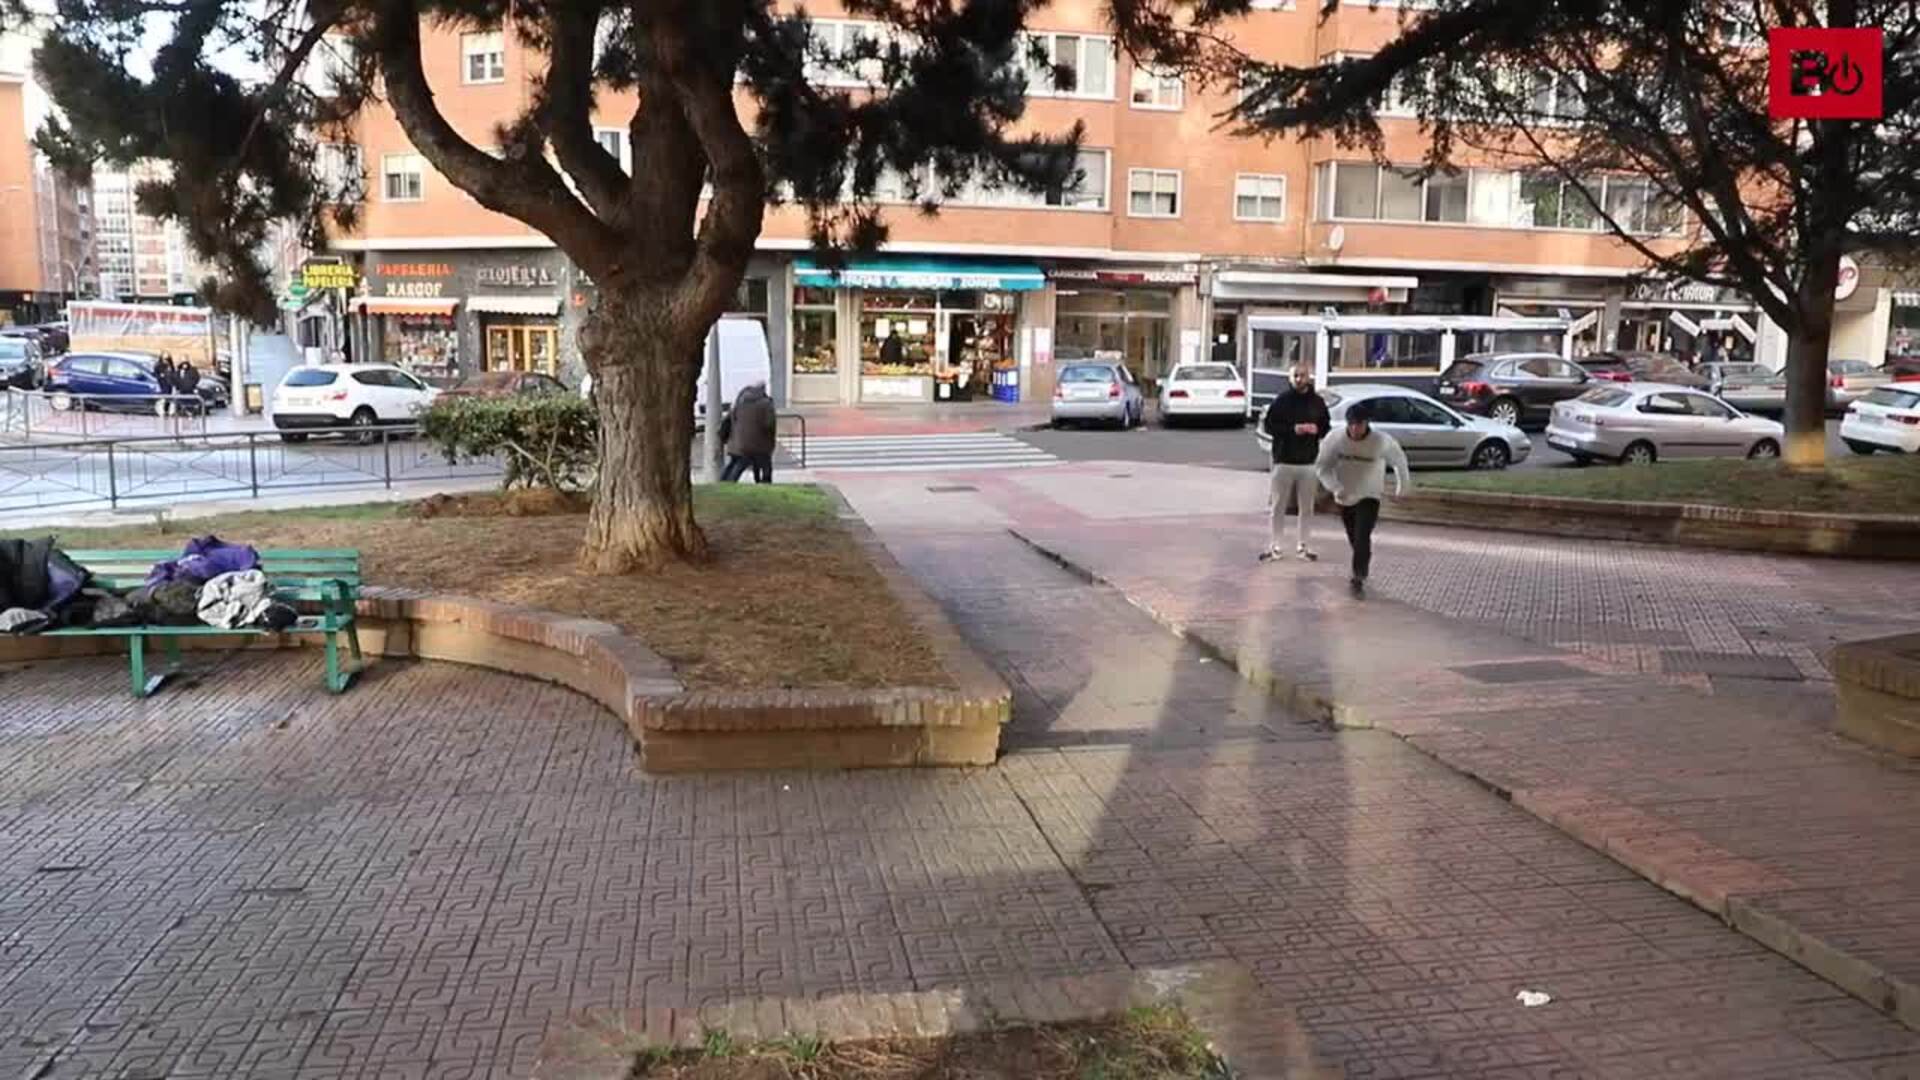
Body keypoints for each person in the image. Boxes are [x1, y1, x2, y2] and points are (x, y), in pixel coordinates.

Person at [1314, 402, 1412, 600]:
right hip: (1344, 495)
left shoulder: (1381, 441)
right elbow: (1322, 467)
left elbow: (1399, 462)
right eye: (1351, 424)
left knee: (1362, 534)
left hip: (1370, 495)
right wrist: (1335, 487)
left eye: (1359, 425)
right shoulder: (1335, 439)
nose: (1354, 429)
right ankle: (1362, 558)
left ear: (1367, 423)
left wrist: (1403, 488)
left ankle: (1358, 576)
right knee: (1354, 536)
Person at [1259, 362, 1332, 563]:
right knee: (1278, 506)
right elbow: (1270, 426)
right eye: (1295, 376)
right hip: (1284, 461)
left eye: (1303, 375)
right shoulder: (1282, 401)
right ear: (1290, 378)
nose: (1299, 379)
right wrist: (1293, 429)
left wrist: (1317, 430)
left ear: (1309, 377)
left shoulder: (1317, 402)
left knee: (1307, 507)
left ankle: (1303, 546)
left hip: (1308, 462)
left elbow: (1326, 426)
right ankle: (1275, 546)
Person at [720, 380, 777, 483]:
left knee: (734, 463)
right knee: (764, 465)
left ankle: (723, 483)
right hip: (759, 444)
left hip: (737, 442)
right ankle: (764, 483)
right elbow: (770, 424)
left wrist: (724, 437)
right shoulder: (766, 404)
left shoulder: (739, 402)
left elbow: (728, 420)